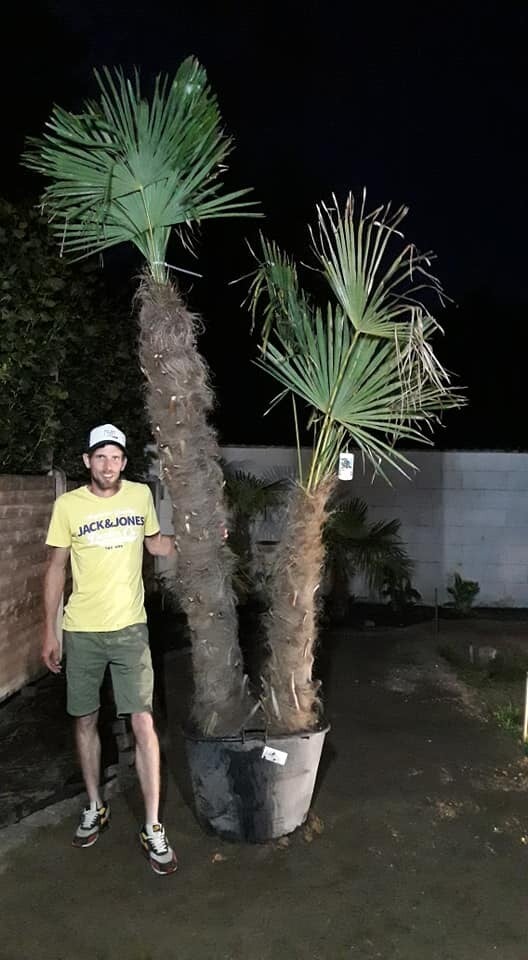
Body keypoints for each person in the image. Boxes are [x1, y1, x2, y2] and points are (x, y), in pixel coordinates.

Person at [43, 423, 178, 876]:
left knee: (143, 721)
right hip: (81, 630)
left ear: (124, 461)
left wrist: (195, 537)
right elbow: (55, 569)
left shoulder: (140, 496)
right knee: (84, 718)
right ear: (87, 461)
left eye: (115, 457)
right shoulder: (68, 505)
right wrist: (50, 632)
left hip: (130, 630)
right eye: (100, 457)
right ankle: (95, 804)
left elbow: (155, 543)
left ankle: (153, 825)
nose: (108, 465)